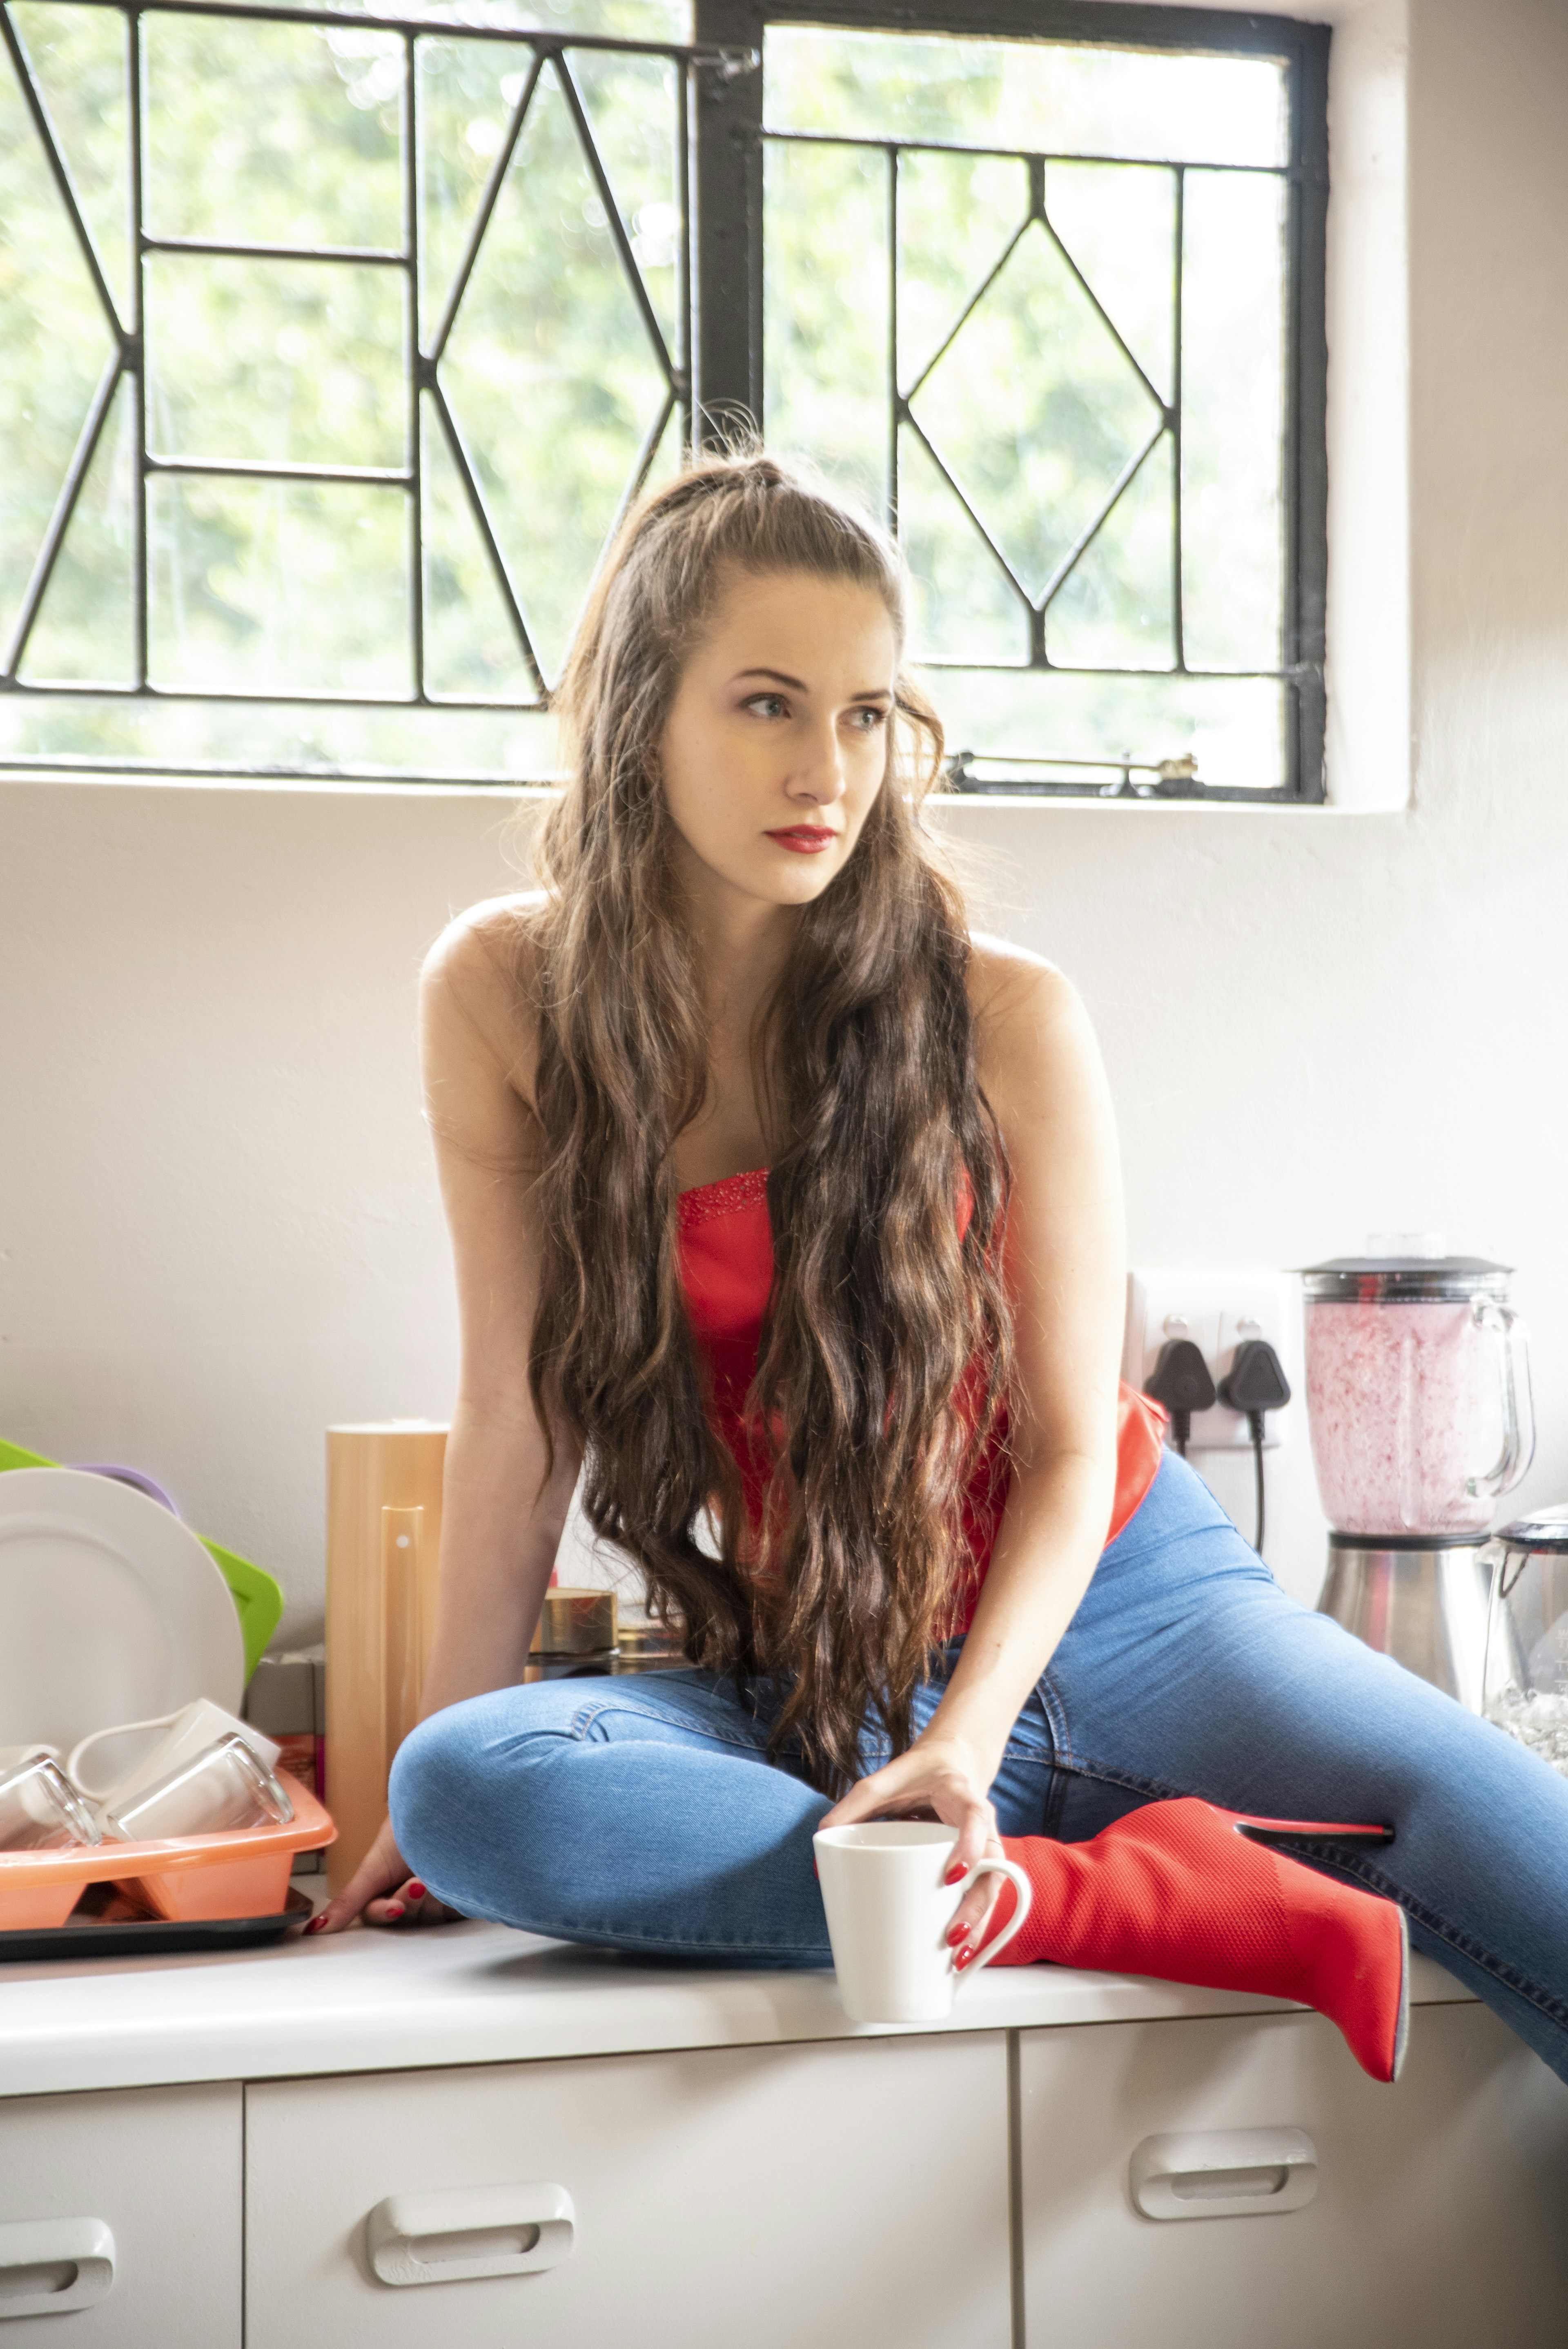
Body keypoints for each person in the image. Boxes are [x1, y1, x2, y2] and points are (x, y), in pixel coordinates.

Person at [311, 452, 1568, 2090]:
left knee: (1502, 1823)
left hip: (1128, 1600)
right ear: (643, 715)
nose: (825, 767)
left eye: (866, 711)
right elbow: (517, 1417)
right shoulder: (503, 993)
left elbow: (1062, 1449)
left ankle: (975, 1841)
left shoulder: (1010, 1014)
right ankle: (1117, 1893)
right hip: (822, 1669)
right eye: (766, 702)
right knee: (471, 1782)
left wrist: (970, 1739)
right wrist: (413, 1824)